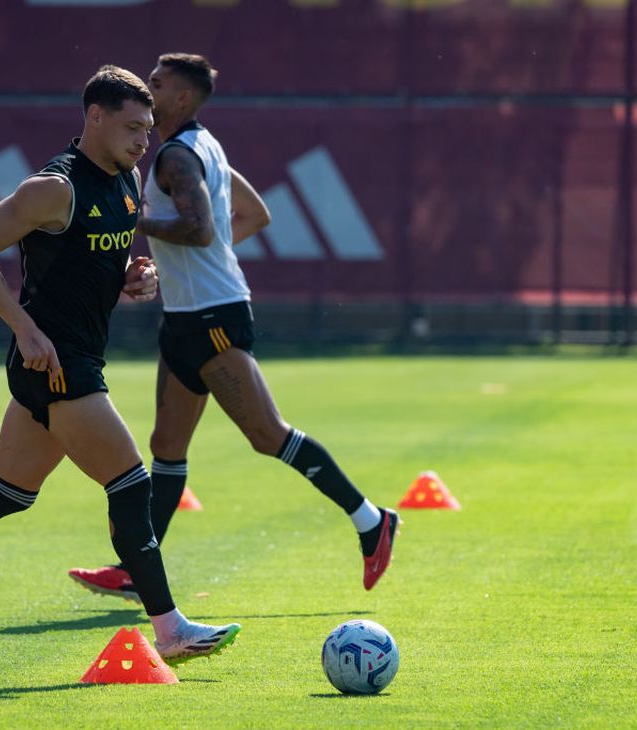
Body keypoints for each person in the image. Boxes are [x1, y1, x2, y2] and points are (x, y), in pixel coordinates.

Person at [0, 65, 240, 665]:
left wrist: (131, 281)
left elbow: (88, 274)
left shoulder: (128, 180)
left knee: (8, 492)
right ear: (95, 117)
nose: (145, 138)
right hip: (56, 365)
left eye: (149, 127)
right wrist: (25, 328)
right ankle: (169, 629)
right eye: (133, 126)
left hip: (75, 355)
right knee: (131, 483)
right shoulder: (53, 188)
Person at [69, 53, 398, 604]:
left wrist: (135, 224)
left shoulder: (176, 156)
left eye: (157, 83)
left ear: (179, 99)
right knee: (166, 446)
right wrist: (189, 261)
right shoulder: (202, 145)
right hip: (185, 316)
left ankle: (371, 520)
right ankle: (133, 570)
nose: (147, 88)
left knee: (268, 435)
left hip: (212, 317)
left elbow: (199, 231)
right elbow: (253, 216)